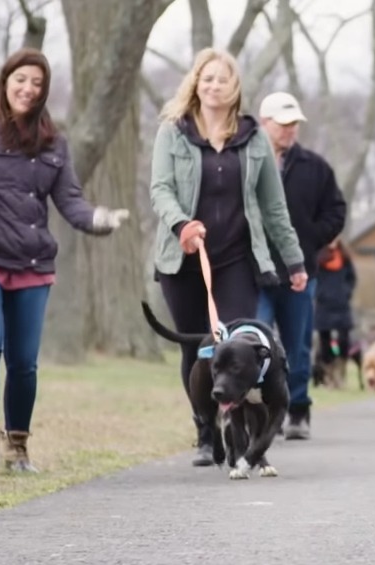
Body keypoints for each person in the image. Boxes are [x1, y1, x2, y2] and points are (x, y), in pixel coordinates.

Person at [0, 48, 130, 476]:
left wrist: (100, 219)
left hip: (31, 261)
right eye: (22, 79)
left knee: (25, 361)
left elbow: (70, 202)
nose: (28, 89)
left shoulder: (54, 142)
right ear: (5, 79)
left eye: (37, 83)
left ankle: (18, 447)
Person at [149, 49, 307, 466]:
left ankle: (250, 442)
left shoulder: (253, 139)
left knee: (237, 347)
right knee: (198, 351)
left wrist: (294, 261)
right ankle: (206, 433)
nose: (214, 85)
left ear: (235, 86)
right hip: (184, 257)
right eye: (207, 78)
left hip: (238, 258)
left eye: (222, 79)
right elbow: (160, 189)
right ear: (195, 84)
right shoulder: (173, 131)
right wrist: (182, 224)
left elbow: (274, 207)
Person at [255, 91, 348, 440]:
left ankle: (297, 410)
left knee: (297, 345)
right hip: (256, 270)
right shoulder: (247, 163)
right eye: (282, 123)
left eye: (293, 124)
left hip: (300, 270)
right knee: (257, 340)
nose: (289, 130)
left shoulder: (315, 167)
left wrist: (311, 236)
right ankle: (263, 410)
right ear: (264, 123)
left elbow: (336, 211)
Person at [314, 238, 357, 388]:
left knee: (344, 340)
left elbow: (352, 278)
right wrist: (319, 294)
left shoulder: (344, 257)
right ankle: (329, 375)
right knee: (325, 342)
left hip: (342, 304)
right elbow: (314, 278)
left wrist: (346, 292)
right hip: (324, 305)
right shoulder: (319, 258)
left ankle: (341, 372)